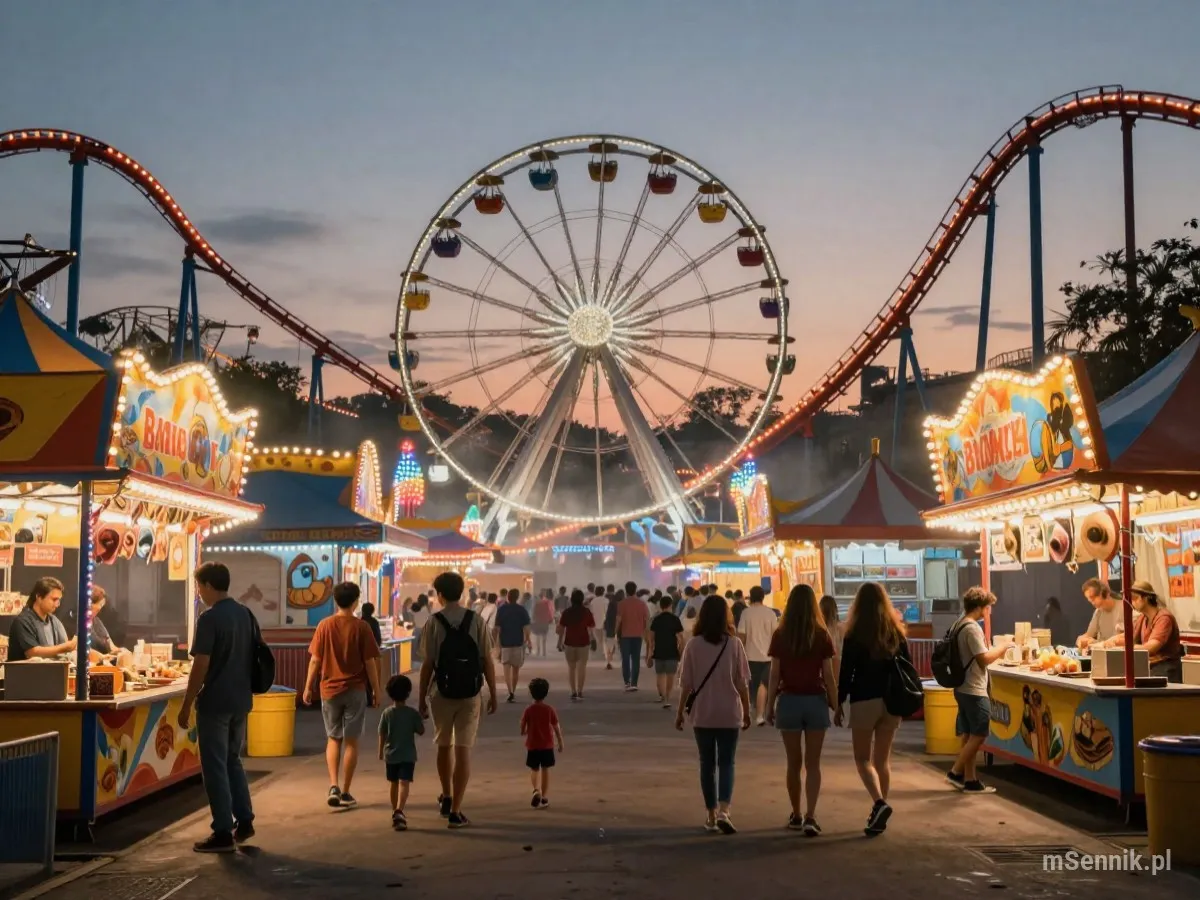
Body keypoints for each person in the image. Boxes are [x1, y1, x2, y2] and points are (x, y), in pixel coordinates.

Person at [178, 562, 254, 853]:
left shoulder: (209, 619)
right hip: (241, 700)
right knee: (233, 759)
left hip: (215, 702)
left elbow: (201, 664)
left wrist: (186, 703)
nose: (199, 593)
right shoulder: (244, 614)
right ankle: (244, 819)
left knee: (214, 766)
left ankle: (222, 829)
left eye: (199, 587)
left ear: (209, 585)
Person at [418, 571, 497, 828]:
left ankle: (446, 795)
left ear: (439, 595)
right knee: (464, 750)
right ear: (462, 593)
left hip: (441, 692)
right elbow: (487, 660)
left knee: (443, 745)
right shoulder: (476, 621)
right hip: (471, 692)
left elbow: (427, 665)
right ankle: (456, 810)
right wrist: (493, 693)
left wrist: (420, 699)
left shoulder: (433, 623)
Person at [836, 582, 912, 835]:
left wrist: (838, 702)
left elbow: (846, 672)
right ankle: (880, 812)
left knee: (862, 758)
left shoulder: (855, 633)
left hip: (864, 699)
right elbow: (908, 668)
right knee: (882, 760)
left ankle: (879, 803)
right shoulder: (896, 632)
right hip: (891, 701)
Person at [676, 593, 751, 834]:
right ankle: (724, 811)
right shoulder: (735, 644)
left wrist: (679, 713)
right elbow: (742, 683)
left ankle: (710, 814)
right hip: (730, 712)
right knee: (727, 762)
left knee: (706, 763)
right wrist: (748, 711)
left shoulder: (693, 645)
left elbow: (686, 684)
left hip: (703, 713)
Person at [766, 585, 837, 836]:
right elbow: (828, 676)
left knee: (793, 763)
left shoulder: (780, 634)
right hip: (816, 701)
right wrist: (836, 706)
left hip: (789, 702)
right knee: (813, 764)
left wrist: (768, 706)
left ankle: (796, 814)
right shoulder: (822, 635)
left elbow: (774, 675)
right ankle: (811, 815)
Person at [304, 582, 382, 809]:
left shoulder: (324, 625)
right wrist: (376, 691)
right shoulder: (362, 627)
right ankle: (346, 792)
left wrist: (308, 687)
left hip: (329, 690)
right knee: (351, 741)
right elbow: (370, 662)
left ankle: (333, 785)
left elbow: (315, 660)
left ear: (335, 600)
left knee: (333, 738)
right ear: (356, 600)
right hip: (355, 690)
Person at [1102, 581, 1183, 682]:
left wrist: (1123, 647)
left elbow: (1150, 648)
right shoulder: (1142, 618)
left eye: (1134, 598)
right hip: (1150, 667)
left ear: (1144, 598)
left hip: (1165, 669)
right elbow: (1129, 636)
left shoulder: (1164, 618)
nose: (1132, 602)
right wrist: (1110, 641)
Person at [377, 674, 425, 830]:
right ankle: (400, 810)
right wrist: (422, 717)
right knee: (404, 782)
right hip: (408, 755)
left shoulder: (387, 713)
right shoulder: (412, 714)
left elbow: (382, 733)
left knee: (394, 783)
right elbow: (421, 731)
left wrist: (380, 752)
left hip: (391, 755)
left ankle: (395, 811)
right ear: (408, 693)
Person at [6, 577, 75, 662]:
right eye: (54, 599)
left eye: (59, 600)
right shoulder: (22, 621)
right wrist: (65, 647)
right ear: (38, 597)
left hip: (51, 672)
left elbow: (64, 645)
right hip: (24, 673)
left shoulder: (55, 621)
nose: (57, 605)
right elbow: (32, 652)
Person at [521, 677, 564, 809]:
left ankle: (536, 790)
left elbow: (523, 726)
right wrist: (560, 742)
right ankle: (544, 797)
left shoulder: (528, 710)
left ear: (530, 693)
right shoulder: (549, 709)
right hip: (547, 745)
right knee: (545, 770)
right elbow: (556, 727)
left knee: (534, 769)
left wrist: (524, 731)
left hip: (533, 745)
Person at [736, 585, 776, 726]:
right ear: (763, 597)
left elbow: (741, 635)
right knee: (763, 685)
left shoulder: (746, 613)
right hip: (768, 656)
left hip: (750, 656)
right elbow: (775, 635)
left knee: (748, 685)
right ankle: (759, 716)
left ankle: (745, 714)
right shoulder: (770, 614)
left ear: (750, 596)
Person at [495, 587, 532, 703]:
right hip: (518, 643)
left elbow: (497, 628)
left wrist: (496, 643)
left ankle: (509, 690)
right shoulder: (522, 610)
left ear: (508, 597)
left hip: (505, 642)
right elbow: (526, 627)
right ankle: (513, 691)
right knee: (516, 670)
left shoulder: (501, 610)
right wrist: (528, 640)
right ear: (517, 598)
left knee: (506, 668)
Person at [556, 589, 595, 701]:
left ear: (571, 599)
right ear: (582, 599)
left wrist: (559, 643)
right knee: (582, 667)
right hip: (583, 642)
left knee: (571, 668)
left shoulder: (567, 612)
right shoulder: (586, 612)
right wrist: (593, 639)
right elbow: (591, 627)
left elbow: (561, 629)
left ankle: (573, 691)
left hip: (569, 643)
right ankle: (580, 691)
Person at [647, 595, 685, 708]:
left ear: (661, 606)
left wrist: (650, 653)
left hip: (658, 652)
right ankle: (667, 698)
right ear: (670, 606)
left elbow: (651, 638)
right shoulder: (675, 619)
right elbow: (681, 638)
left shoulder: (656, 619)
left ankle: (662, 695)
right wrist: (681, 650)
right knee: (670, 676)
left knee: (660, 675)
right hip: (672, 652)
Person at [616, 581, 649, 691]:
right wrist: (645, 632)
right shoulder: (642, 603)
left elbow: (619, 620)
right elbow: (647, 618)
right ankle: (634, 683)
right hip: (638, 635)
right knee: (636, 659)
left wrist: (616, 633)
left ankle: (627, 682)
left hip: (625, 636)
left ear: (626, 590)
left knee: (625, 659)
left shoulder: (621, 604)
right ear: (635, 590)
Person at [1076, 578, 1123, 650]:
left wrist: (1097, 643)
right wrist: (1081, 640)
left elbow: (1130, 637)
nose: (1091, 602)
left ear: (1106, 593)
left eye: (1093, 598)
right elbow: (1089, 634)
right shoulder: (1098, 612)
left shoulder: (1124, 608)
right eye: (1089, 599)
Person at [532, 590, 555, 657]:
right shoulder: (548, 604)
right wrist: (550, 619)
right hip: (545, 622)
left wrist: (533, 619)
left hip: (538, 621)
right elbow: (550, 612)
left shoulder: (537, 604)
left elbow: (534, 613)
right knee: (544, 637)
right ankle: (544, 652)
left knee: (537, 637)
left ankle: (538, 651)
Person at [603, 587, 620, 669]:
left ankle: (608, 661)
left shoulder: (611, 605)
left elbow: (607, 618)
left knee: (609, 645)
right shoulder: (618, 605)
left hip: (609, 628)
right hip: (615, 628)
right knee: (612, 645)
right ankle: (609, 660)